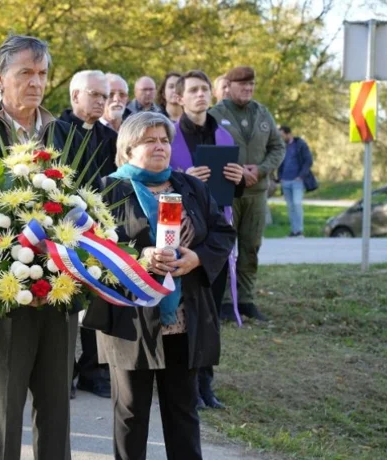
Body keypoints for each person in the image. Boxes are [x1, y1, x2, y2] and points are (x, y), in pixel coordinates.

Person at [0, 34, 92, 460]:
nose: (35, 82)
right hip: (3, 296)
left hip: (60, 293)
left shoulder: (65, 136)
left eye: (42, 73)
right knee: (3, 414)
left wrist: (75, 266)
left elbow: (88, 207)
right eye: (25, 72)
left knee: (56, 411)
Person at [92, 111, 235, 460]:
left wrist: (197, 258)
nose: (160, 146)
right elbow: (93, 248)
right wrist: (141, 257)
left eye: (164, 140)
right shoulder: (106, 191)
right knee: (131, 412)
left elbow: (222, 232)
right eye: (150, 140)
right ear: (128, 149)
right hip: (130, 318)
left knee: (183, 410)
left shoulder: (191, 187)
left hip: (185, 318)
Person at [171, 70, 246, 410]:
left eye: (204, 89)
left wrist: (239, 178)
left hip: (215, 235)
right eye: (193, 90)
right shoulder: (169, 135)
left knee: (211, 313)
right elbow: (159, 179)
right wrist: (183, 177)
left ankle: (206, 383)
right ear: (180, 97)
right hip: (183, 232)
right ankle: (186, 384)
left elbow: (233, 189)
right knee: (188, 312)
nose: (201, 95)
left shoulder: (224, 135)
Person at [210, 66, 285, 322]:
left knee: (251, 246)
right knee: (225, 247)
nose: (248, 89)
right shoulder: (215, 114)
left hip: (257, 192)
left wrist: (261, 170)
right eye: (243, 85)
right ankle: (224, 300)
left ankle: (246, 300)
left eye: (251, 85)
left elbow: (277, 147)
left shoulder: (262, 113)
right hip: (228, 193)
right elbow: (209, 151)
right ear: (229, 86)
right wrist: (237, 171)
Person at [58, 69, 116, 398]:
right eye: (94, 94)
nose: (100, 101)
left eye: (104, 96)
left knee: (98, 301)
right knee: (65, 301)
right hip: (64, 229)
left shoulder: (109, 137)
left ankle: (94, 370)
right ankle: (62, 371)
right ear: (75, 95)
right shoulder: (56, 131)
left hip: (102, 229)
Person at [277, 125, 314, 237]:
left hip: (297, 180)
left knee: (297, 204)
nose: (281, 138)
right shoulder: (282, 147)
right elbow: (279, 162)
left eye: (282, 135)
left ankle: (299, 231)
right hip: (285, 181)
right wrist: (280, 177)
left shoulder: (300, 144)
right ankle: (294, 231)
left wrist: (301, 176)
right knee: (290, 206)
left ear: (288, 134)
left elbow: (308, 160)